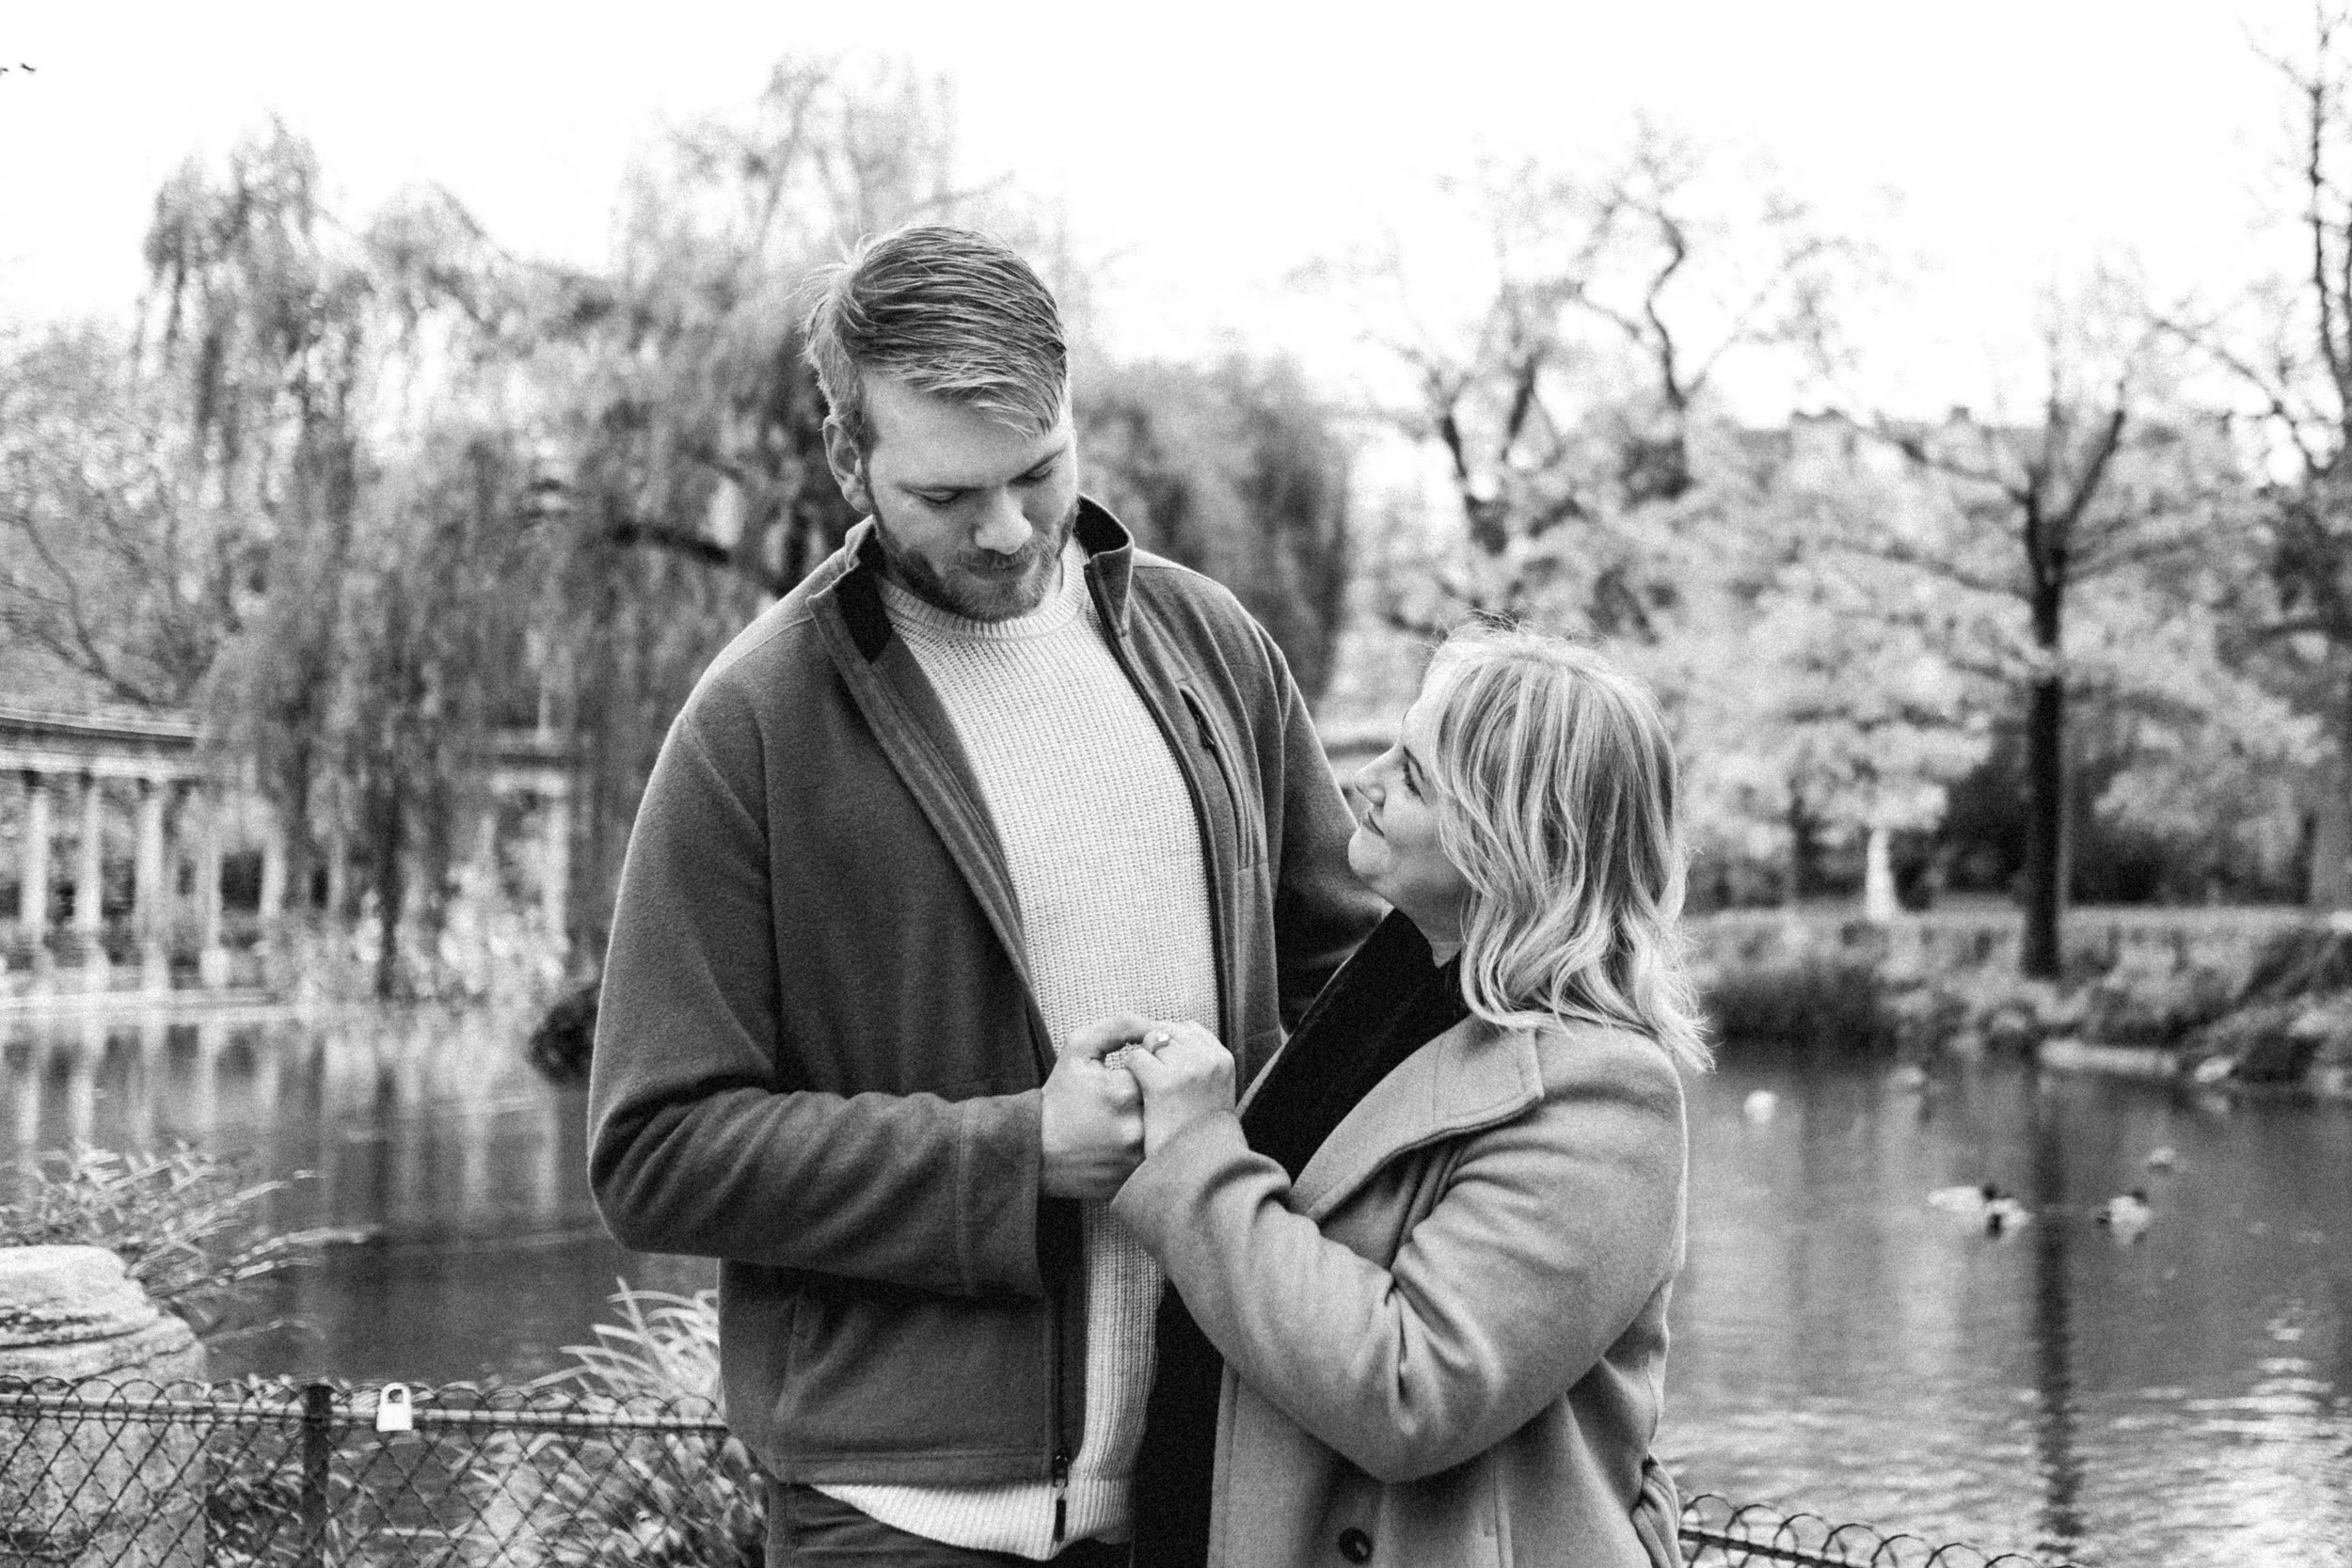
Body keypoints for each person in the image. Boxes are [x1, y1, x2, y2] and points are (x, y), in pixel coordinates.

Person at [584, 223, 1383, 1567]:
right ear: (851, 458)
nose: (1008, 528)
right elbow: (656, 1148)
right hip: (902, 1525)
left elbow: (1357, 1002)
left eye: (1039, 469)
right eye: (950, 494)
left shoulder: (1219, 652)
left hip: (1222, 1493)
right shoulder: (756, 723)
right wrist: (1017, 1156)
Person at [1089, 623, 1707, 1568]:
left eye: (1413, 775)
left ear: (1512, 837)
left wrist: (1194, 1156)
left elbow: (1411, 1388)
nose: (1364, 776)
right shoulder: (1397, 984)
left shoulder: (1601, 1091)